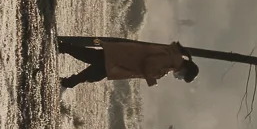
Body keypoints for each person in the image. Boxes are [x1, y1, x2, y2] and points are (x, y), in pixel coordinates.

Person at [58, 36, 198, 90]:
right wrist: (152, 80)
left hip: (121, 58)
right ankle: (65, 82)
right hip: (121, 60)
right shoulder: (170, 60)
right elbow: (149, 63)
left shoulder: (172, 60)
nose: (179, 78)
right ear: (184, 71)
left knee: (90, 60)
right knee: (92, 71)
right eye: (182, 77)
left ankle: (64, 50)